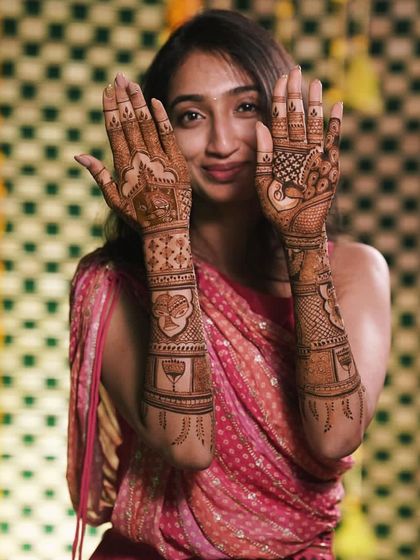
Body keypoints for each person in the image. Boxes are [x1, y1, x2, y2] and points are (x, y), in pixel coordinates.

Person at [67, 9, 390, 560]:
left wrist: (304, 239)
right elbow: (186, 445)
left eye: (246, 108)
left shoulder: (355, 270)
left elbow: (336, 435)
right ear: (160, 132)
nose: (222, 142)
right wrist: (166, 236)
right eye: (192, 115)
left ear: (285, 118)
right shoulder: (113, 282)